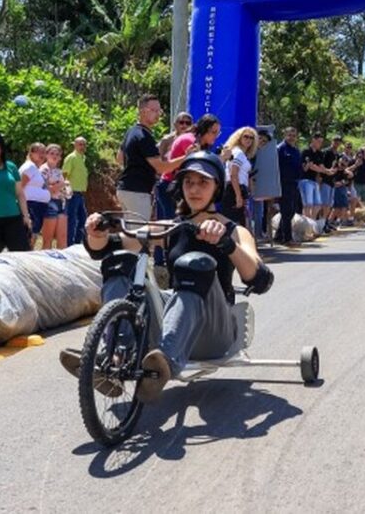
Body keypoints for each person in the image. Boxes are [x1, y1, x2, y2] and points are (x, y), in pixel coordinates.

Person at [66, 151, 273, 402]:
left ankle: (165, 362)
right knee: (119, 263)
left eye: (203, 182)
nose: (194, 189)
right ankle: (116, 356)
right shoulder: (171, 227)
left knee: (195, 264)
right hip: (175, 324)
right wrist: (95, 235)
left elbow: (260, 280)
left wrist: (226, 243)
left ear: (217, 187)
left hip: (215, 334)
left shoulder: (234, 230)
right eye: (188, 182)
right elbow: (109, 247)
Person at [116, 94, 186, 222]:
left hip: (126, 190)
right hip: (137, 192)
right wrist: (186, 157)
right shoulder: (144, 136)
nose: (158, 114)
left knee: (131, 233)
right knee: (139, 235)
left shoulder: (131, 132)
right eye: (154, 110)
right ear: (142, 111)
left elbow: (119, 158)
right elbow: (161, 168)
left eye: (159, 110)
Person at [156, 112, 195, 221]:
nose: (184, 125)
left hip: (182, 183)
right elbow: (157, 160)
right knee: (166, 218)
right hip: (167, 181)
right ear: (175, 124)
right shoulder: (167, 140)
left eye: (188, 123)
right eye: (181, 122)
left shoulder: (191, 140)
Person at [221, 126, 257, 226]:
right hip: (234, 190)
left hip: (237, 189)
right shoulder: (238, 153)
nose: (249, 140)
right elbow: (233, 174)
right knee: (235, 224)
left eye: (251, 138)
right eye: (246, 137)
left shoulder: (241, 154)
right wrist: (238, 196)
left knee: (238, 223)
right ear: (239, 138)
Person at [19, 142, 51, 246]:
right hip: (31, 206)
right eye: (38, 152)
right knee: (30, 235)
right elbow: (20, 187)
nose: (41, 155)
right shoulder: (30, 167)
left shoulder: (35, 168)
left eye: (43, 152)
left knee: (32, 235)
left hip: (36, 206)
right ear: (31, 153)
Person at [276, 127, 302, 245]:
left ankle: (278, 235)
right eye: (289, 135)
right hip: (283, 184)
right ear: (284, 135)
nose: (291, 137)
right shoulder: (280, 149)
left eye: (294, 135)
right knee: (286, 211)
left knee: (291, 211)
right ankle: (287, 238)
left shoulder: (296, 150)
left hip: (294, 183)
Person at [40, 143, 69, 250]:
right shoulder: (43, 170)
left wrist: (63, 187)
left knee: (62, 237)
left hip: (62, 202)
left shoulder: (58, 171)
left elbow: (62, 187)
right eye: (52, 153)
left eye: (57, 154)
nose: (55, 156)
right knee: (48, 238)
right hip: (49, 202)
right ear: (46, 155)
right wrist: (60, 184)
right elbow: (46, 188)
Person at [63, 136, 90, 245]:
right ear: (74, 145)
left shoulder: (82, 158)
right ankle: (69, 244)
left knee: (82, 219)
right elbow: (64, 175)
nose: (82, 146)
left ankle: (77, 242)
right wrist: (67, 191)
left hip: (80, 193)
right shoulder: (72, 157)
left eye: (84, 144)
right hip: (72, 193)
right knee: (72, 220)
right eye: (80, 144)